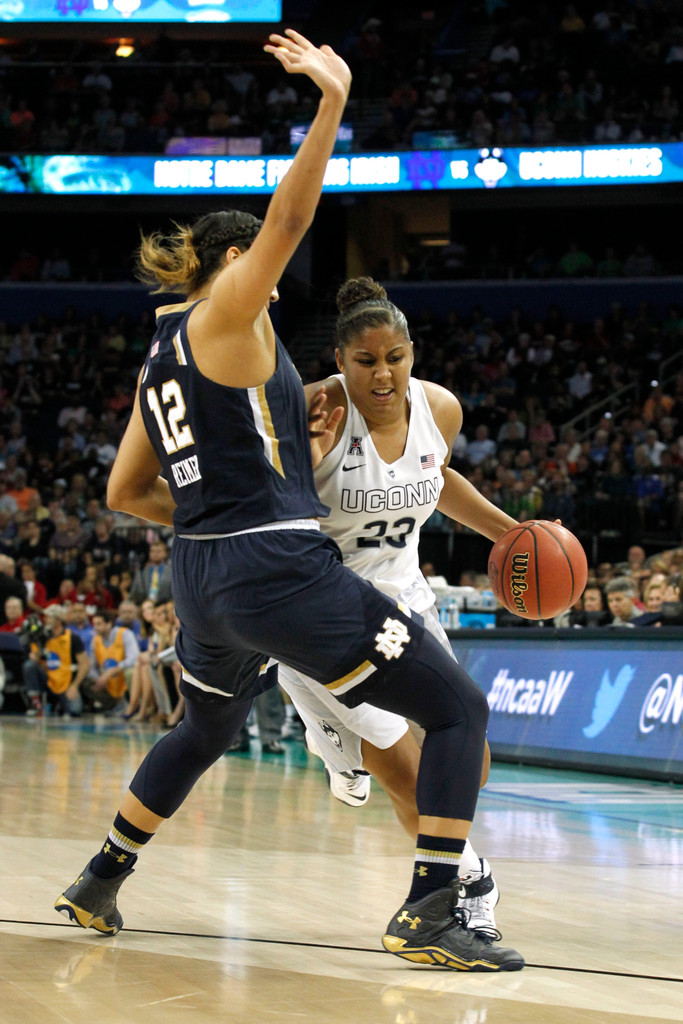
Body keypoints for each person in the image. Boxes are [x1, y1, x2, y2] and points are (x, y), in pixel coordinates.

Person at [55, 30, 522, 974]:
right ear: (230, 266)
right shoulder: (230, 308)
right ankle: (434, 905)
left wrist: (241, 502)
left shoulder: (160, 359)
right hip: (273, 567)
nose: (270, 289)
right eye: (256, 271)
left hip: (202, 572)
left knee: (205, 728)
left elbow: (123, 492)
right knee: (460, 709)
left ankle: (100, 877)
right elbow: (289, 220)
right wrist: (331, 103)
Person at [277, 276, 521, 932]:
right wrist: (306, 463)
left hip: (405, 600)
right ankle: (468, 886)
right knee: (410, 781)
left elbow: (434, 477)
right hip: (325, 611)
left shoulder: (438, 409)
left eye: (395, 358)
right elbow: (265, 519)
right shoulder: (311, 410)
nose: (382, 374)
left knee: (470, 759)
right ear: (338, 361)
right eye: (365, 362)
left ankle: (327, 729)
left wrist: (510, 532)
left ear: (412, 353)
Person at [23, 605, 90, 718]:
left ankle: (60, 703)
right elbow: (36, 659)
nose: (45, 619)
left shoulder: (73, 638)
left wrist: (74, 686)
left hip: (66, 680)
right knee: (29, 665)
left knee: (75, 711)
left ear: (58, 620)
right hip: (47, 677)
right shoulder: (41, 637)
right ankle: (35, 704)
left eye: (48, 617)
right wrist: (35, 655)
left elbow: (85, 664)